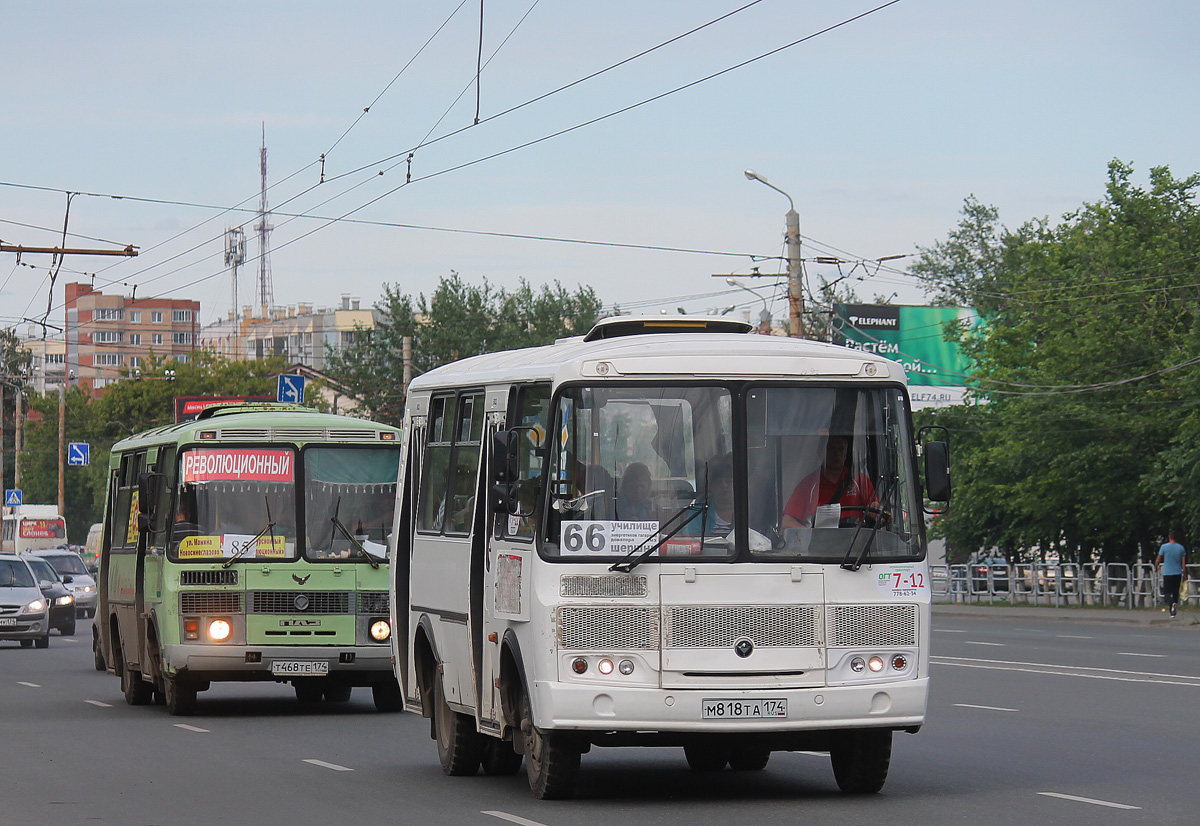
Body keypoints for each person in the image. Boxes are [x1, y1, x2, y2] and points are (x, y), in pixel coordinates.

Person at [781, 435, 875, 530]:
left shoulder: (860, 481)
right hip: (820, 543)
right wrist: (809, 535)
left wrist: (878, 513)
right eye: (831, 449)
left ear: (846, 453)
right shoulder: (808, 485)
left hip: (856, 543)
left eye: (841, 449)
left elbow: (875, 509)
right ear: (821, 452)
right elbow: (787, 521)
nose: (837, 454)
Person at [1156, 530, 1188, 618]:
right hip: (1177, 573)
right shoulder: (1181, 548)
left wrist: (1156, 566)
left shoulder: (1164, 547)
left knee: (1166, 593)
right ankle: (1172, 611)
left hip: (1168, 573)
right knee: (1175, 592)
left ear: (1169, 537)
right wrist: (1185, 574)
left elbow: (1159, 558)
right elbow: (1183, 563)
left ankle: (1171, 604)